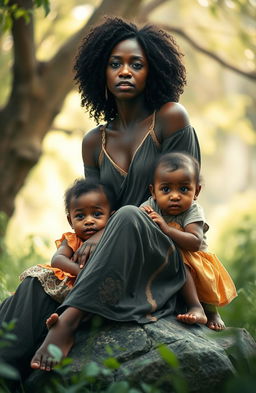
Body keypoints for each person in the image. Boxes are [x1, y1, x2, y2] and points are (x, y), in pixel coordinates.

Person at [0, 16, 201, 375]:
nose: (125, 72)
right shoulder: (94, 142)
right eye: (115, 64)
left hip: (161, 249)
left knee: (127, 216)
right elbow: (94, 206)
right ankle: (8, 367)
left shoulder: (171, 119)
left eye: (136, 64)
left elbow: (181, 196)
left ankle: (68, 322)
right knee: (36, 283)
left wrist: (111, 230)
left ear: (152, 72)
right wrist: (89, 239)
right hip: (107, 253)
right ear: (101, 72)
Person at [140, 152, 237, 330]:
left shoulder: (193, 211)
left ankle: (202, 308)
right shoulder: (150, 206)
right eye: (166, 189)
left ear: (196, 191)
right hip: (166, 258)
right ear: (153, 191)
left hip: (194, 260)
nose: (175, 196)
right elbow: (136, 226)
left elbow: (194, 242)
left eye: (184, 189)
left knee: (182, 261)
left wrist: (167, 229)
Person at [19, 179, 115, 303]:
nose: (89, 221)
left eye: (97, 214)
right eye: (80, 216)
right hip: (68, 286)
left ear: (111, 217)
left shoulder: (112, 239)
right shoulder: (73, 240)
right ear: (70, 221)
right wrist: (80, 272)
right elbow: (57, 259)